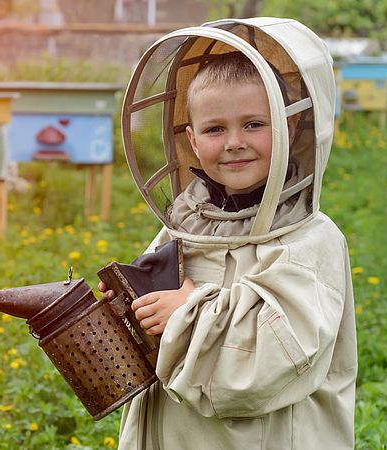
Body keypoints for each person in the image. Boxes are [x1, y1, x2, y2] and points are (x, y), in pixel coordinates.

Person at [99, 17, 357, 449]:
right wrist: (128, 310)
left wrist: (186, 312)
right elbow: (155, 325)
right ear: (193, 142)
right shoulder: (182, 227)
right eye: (215, 129)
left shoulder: (310, 243)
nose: (234, 141)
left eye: (254, 124)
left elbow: (267, 367)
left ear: (290, 129)